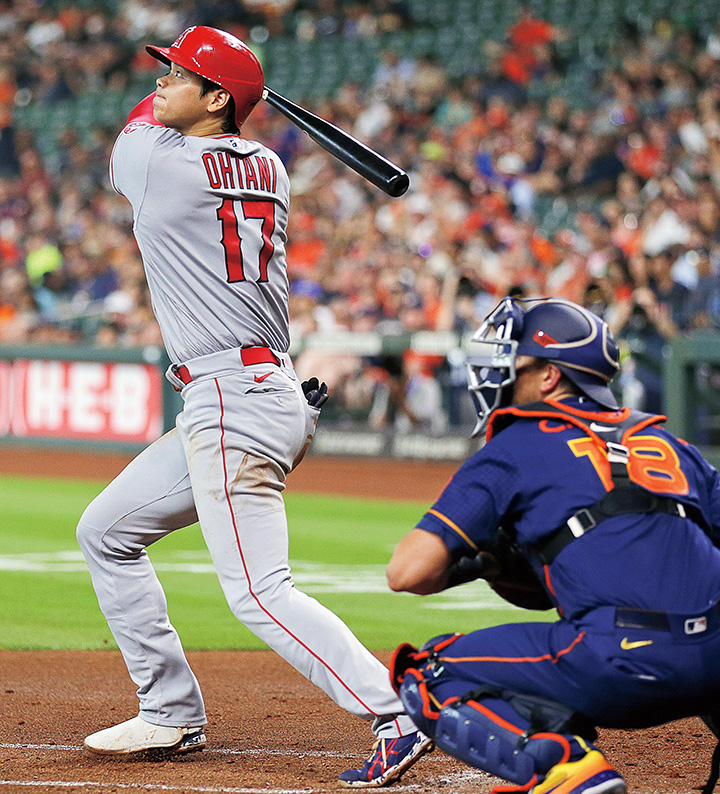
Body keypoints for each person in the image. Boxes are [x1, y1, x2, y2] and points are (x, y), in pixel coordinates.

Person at [75, 26, 432, 787]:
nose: (163, 79)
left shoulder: (159, 162)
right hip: (252, 394)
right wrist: (224, 90)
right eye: (166, 70)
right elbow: (190, 118)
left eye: (181, 72)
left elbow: (134, 134)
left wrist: (215, 91)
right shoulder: (267, 162)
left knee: (260, 592)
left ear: (215, 99)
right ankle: (169, 709)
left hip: (233, 401)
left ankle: (396, 714)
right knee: (106, 531)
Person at [385, 296, 720, 794]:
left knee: (427, 673)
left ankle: (567, 770)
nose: (498, 374)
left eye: (514, 363)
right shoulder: (675, 446)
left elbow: (407, 572)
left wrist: (479, 563)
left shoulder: (517, 443)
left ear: (549, 377)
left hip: (619, 662)